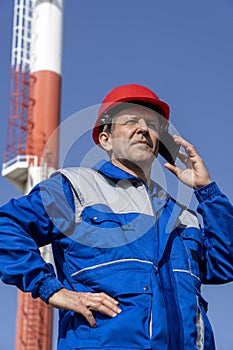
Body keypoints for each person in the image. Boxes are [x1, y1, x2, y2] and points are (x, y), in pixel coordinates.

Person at [0, 83, 233, 350]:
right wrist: (52, 289)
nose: (143, 129)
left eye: (152, 124)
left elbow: (224, 265)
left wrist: (207, 191)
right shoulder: (75, 189)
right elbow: (5, 227)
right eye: (131, 121)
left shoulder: (182, 217)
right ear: (105, 139)